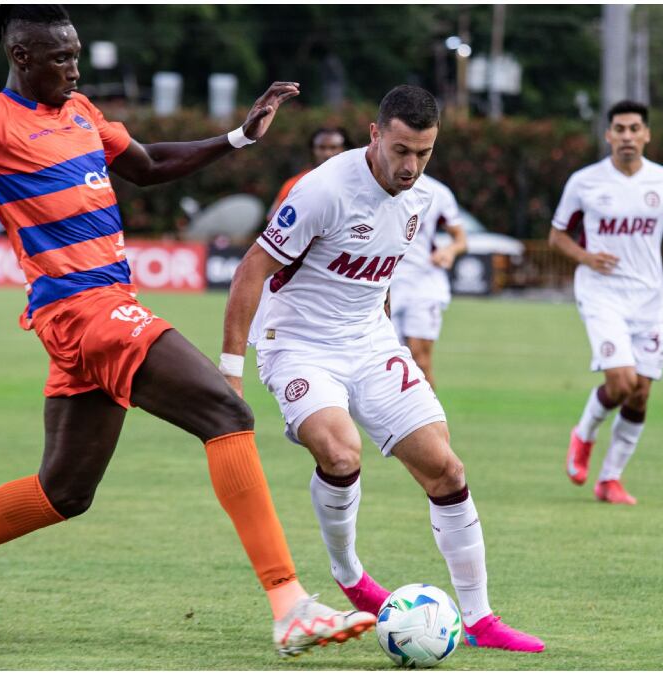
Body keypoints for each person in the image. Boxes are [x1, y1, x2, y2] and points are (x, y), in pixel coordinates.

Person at [0, 5, 372, 656]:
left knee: (64, 492)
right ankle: (289, 603)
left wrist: (238, 138)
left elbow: (148, 163)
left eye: (78, 53)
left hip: (98, 310)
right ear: (21, 56)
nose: (75, 68)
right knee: (225, 411)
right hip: (82, 309)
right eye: (62, 57)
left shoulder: (81, 112)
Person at [222, 85, 544, 653]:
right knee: (343, 452)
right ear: (375, 135)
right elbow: (250, 272)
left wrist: (386, 339)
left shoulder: (421, 200)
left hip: (370, 343)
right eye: (400, 150)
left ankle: (480, 619)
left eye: (423, 153)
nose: (411, 166)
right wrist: (229, 374)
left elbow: (379, 274)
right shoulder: (321, 191)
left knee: (446, 469)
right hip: (298, 345)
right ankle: (350, 575)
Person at [550, 100, 663, 506]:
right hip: (602, 292)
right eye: (620, 129)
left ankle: (610, 479)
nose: (627, 136)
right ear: (608, 135)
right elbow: (557, 236)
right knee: (621, 381)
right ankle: (583, 434)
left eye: (635, 129)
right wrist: (585, 257)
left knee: (640, 394)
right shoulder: (585, 182)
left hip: (650, 298)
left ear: (647, 134)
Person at [388, 174, 467, 387]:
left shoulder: (436, 191)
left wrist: (449, 251)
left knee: (420, 360)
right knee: (384, 364)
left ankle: (428, 420)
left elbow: (460, 238)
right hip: (383, 284)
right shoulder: (374, 186)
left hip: (423, 283)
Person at [265, 127, 352, 220]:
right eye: (321, 147)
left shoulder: (357, 180)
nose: (327, 153)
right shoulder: (297, 182)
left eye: (333, 147)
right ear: (313, 150)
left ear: (344, 149)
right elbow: (274, 217)